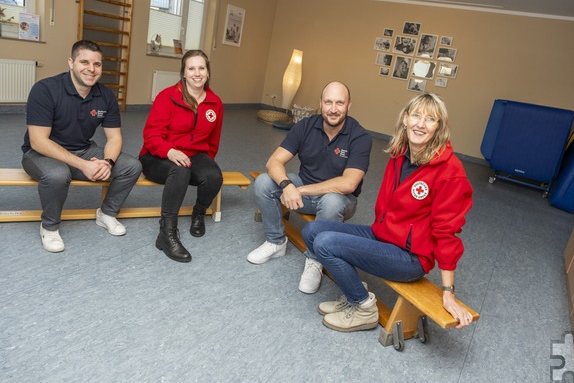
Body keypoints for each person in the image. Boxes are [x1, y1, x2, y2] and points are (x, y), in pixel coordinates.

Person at [301, 93, 474, 333]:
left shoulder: (450, 171)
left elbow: (448, 233)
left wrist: (448, 293)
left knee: (326, 243)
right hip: (382, 235)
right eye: (415, 115)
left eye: (430, 119)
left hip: (410, 256)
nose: (420, 124)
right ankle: (354, 291)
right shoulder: (399, 153)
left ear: (439, 127)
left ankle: (363, 307)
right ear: (405, 119)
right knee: (312, 230)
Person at [248, 81, 372, 295]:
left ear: (349, 105)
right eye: (328, 102)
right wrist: (287, 185)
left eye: (339, 103)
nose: (333, 109)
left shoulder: (360, 137)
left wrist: (299, 191)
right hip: (304, 190)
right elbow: (274, 162)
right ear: (320, 103)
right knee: (263, 182)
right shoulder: (305, 126)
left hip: (341, 200)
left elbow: (348, 183)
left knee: (332, 201)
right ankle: (275, 241)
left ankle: (315, 260)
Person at [21, 40, 143, 253]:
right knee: (58, 174)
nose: (91, 69)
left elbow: (114, 138)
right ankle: (49, 227)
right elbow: (38, 141)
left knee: (132, 166)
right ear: (71, 62)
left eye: (97, 64)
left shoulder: (105, 96)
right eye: (84, 62)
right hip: (41, 153)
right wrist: (83, 165)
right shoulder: (45, 89)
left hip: (83, 149)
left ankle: (106, 214)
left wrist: (107, 161)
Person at [139, 49, 223, 263]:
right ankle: (167, 233)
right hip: (156, 155)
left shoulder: (215, 103)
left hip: (193, 154)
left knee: (213, 175)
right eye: (191, 68)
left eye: (201, 68)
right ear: (184, 73)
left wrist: (206, 165)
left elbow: (213, 142)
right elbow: (151, 136)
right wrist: (169, 151)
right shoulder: (167, 96)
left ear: (208, 72)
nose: (197, 73)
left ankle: (198, 213)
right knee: (181, 170)